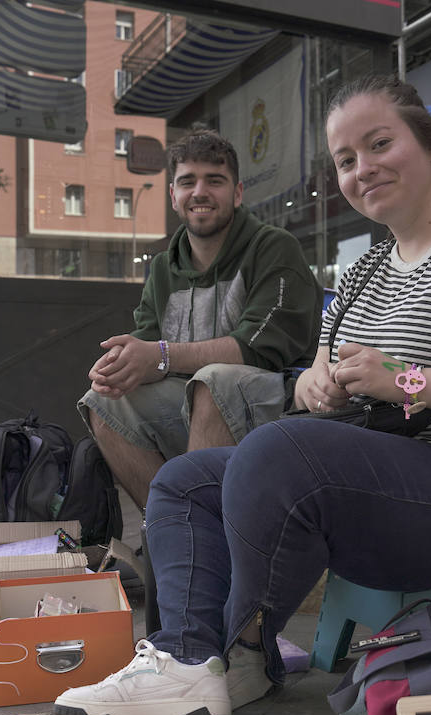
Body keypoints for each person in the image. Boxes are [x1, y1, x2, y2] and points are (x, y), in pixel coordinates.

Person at [55, 75, 431, 715]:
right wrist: (317, 381)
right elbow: (325, 357)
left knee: (276, 450)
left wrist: (410, 379)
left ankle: (220, 651)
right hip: (382, 478)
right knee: (183, 482)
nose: (362, 169)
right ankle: (203, 663)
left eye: (378, 144)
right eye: (346, 160)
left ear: (430, 143)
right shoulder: (369, 266)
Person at [78, 128, 321, 512]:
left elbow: (254, 349)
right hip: (195, 408)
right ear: (173, 195)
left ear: (238, 193)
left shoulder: (273, 247)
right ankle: (165, 526)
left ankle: (202, 536)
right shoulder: (162, 268)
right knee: (103, 401)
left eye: (215, 181)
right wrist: (121, 366)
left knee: (214, 381)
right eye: (187, 181)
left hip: (285, 409)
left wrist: (159, 355)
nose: (200, 192)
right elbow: (149, 354)